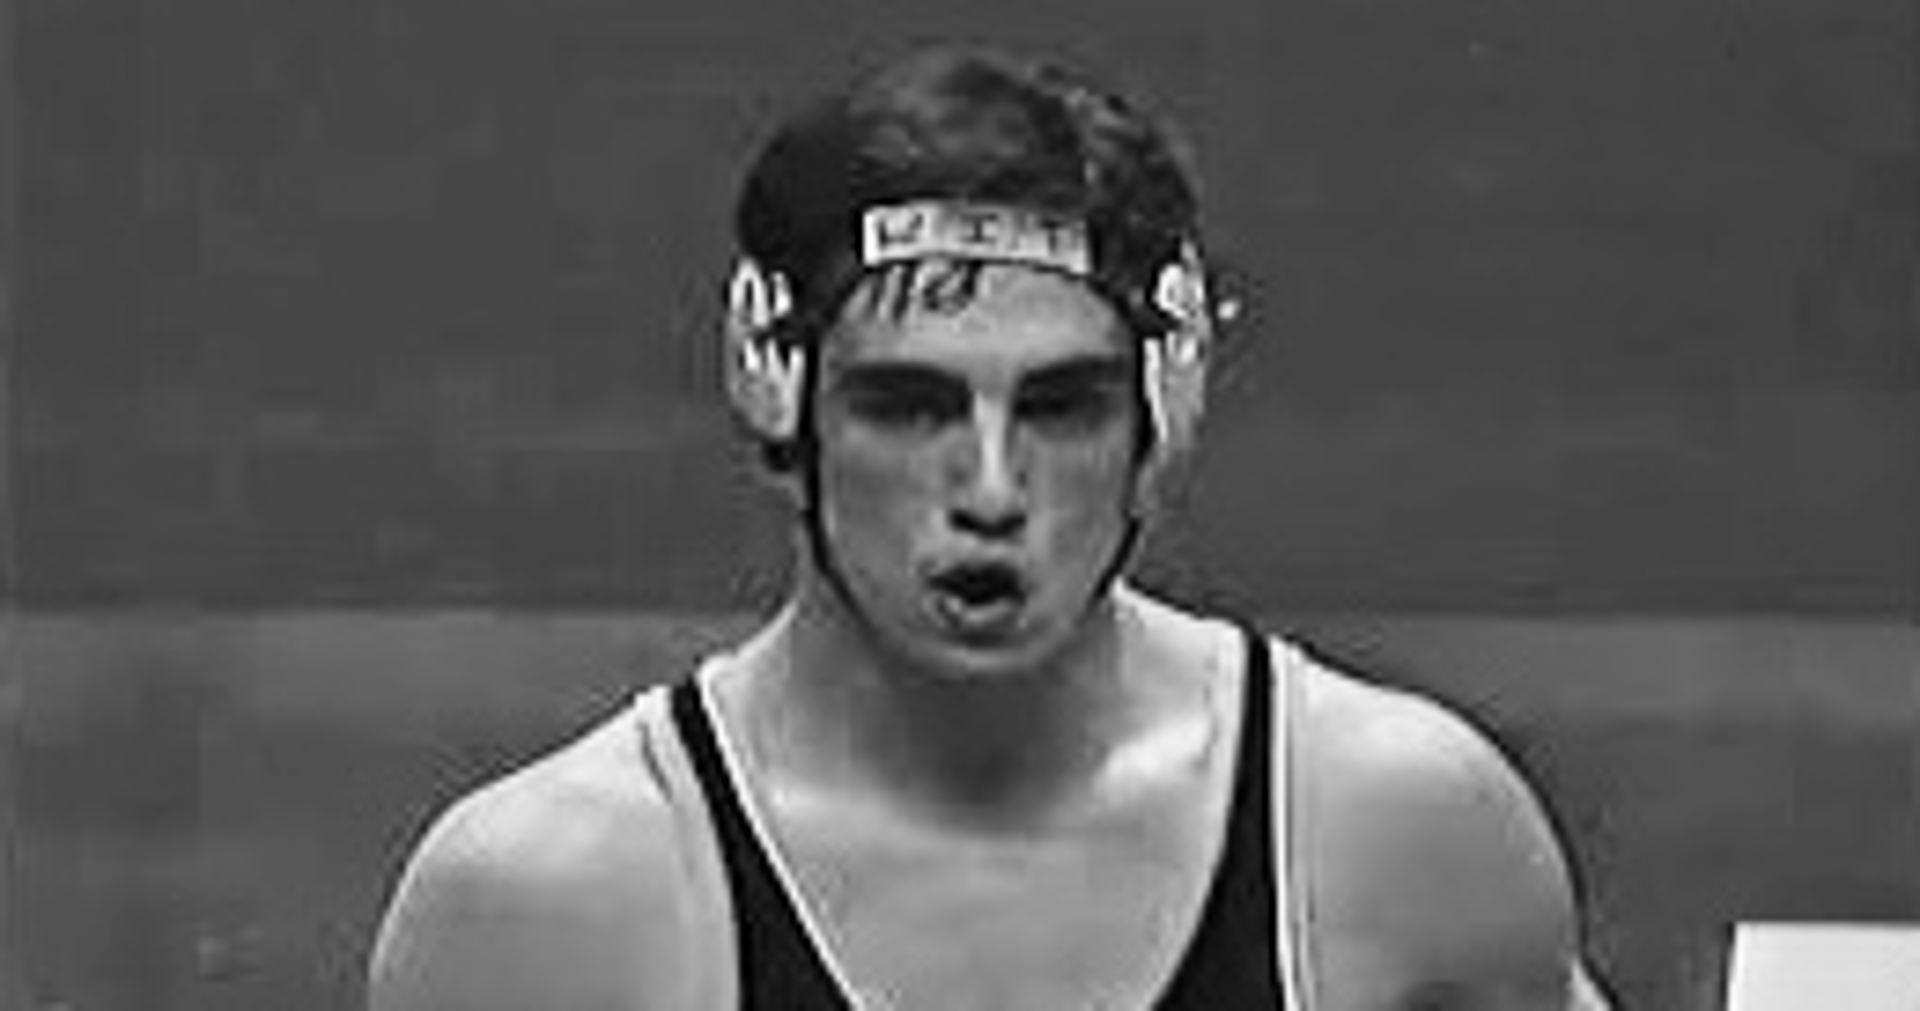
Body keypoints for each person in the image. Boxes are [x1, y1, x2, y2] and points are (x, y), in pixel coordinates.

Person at [368, 44, 1614, 1011]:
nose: (991, 488)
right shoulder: (555, 910)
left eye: (1063, 408)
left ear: (1162, 412)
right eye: (907, 406)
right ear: (780, 394)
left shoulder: (1399, 840)